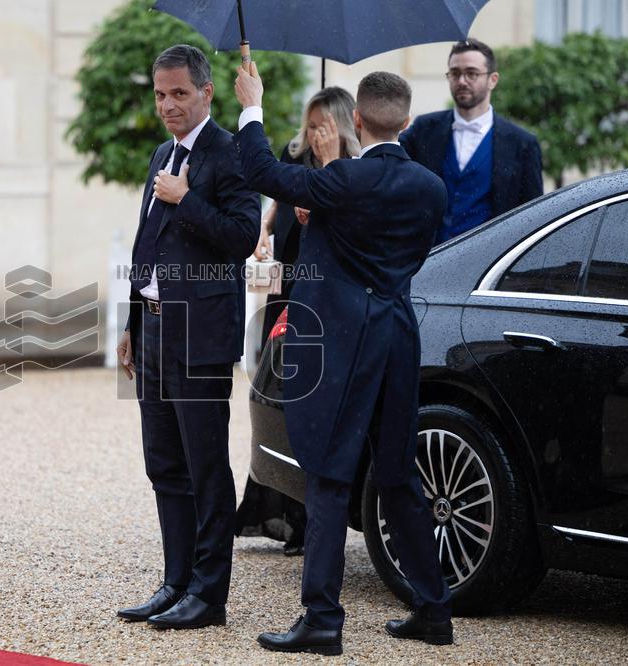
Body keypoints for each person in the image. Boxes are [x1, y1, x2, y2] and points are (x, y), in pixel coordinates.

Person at [234, 64, 453, 655]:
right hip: (398, 338)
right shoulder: (432, 188)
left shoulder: (343, 181)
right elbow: (386, 249)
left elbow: (261, 170)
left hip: (343, 343)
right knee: (399, 473)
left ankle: (323, 620)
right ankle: (434, 611)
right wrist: (325, 210)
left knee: (329, 476)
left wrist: (252, 105)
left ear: (356, 119)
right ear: (406, 121)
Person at [115, 44, 260, 631]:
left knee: (205, 467)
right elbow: (146, 242)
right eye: (159, 94)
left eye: (178, 93)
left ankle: (209, 594)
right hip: (151, 334)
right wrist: (129, 323)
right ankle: (175, 583)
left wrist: (188, 200)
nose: (167, 105)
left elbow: (244, 235)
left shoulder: (231, 155)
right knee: (163, 464)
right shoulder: (160, 153)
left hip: (201, 336)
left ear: (206, 92)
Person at [236, 87, 360, 557]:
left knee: (309, 405)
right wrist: (263, 235)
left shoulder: (351, 173)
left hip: (321, 303)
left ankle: (313, 521)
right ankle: (287, 517)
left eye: (319, 126)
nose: (309, 134)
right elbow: (273, 214)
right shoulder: (298, 163)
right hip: (283, 294)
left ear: (342, 125)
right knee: (276, 402)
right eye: (308, 125)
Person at [400, 38, 543, 245]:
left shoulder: (523, 144)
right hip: (427, 261)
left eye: (472, 73)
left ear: (493, 79)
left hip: (489, 264)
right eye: (455, 73)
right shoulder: (424, 129)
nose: (462, 81)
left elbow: (533, 215)